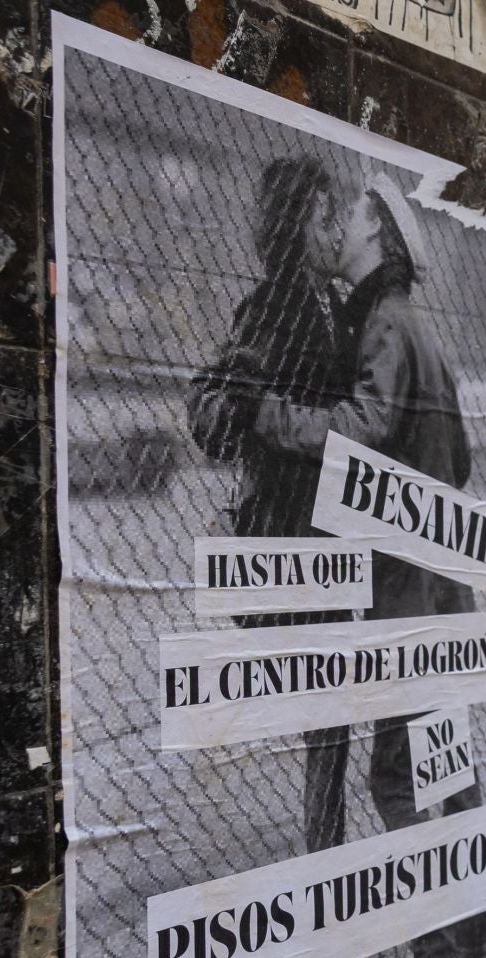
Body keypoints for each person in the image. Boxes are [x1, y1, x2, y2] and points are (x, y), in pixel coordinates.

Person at [258, 172, 486, 958]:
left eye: (350, 215)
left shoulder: (384, 326)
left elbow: (360, 427)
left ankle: (437, 956)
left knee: (399, 774)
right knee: (447, 764)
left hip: (403, 606)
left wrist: (272, 418)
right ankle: (474, 939)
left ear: (379, 235)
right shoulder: (420, 330)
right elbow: (457, 460)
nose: (339, 223)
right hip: (443, 596)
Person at [188, 155, 353, 854]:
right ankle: (327, 885)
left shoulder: (338, 307)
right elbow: (210, 405)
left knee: (337, 719)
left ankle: (332, 877)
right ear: (298, 224)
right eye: (324, 215)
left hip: (336, 537)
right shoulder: (271, 305)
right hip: (292, 539)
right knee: (328, 721)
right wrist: (236, 408)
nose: (335, 227)